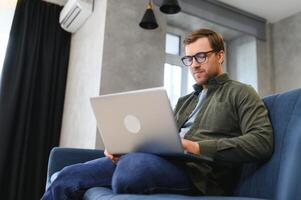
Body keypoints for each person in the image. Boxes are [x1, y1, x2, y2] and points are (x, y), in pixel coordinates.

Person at [41, 29, 273, 199]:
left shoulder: (241, 92)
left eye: (201, 56)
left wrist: (195, 147)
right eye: (189, 59)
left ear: (220, 56)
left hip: (200, 175)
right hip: (162, 162)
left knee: (131, 171)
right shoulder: (185, 101)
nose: (194, 64)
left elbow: (262, 142)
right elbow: (161, 138)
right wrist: (124, 147)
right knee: (65, 176)